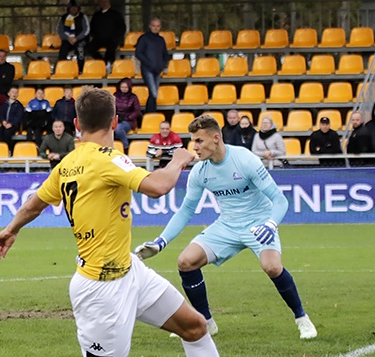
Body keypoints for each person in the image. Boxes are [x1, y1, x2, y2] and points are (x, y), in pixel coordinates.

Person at [0, 90, 278, 357]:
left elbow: (36, 202)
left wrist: (11, 228)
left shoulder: (68, 162)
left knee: (194, 326)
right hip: (102, 289)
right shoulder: (108, 159)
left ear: (77, 125)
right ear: (115, 123)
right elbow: (158, 187)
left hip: (129, 271)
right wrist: (178, 160)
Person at [136, 114, 317, 340]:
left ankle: (302, 318)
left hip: (259, 223)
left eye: (199, 141)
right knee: (186, 262)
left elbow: (280, 200)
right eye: (193, 141)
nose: (195, 147)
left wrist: (270, 224)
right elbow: (185, 211)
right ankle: (206, 322)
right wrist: (160, 242)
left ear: (216, 138)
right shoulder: (200, 171)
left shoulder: (245, 159)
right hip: (228, 225)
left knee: (271, 267)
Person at [134, 18, 169, 113]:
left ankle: (150, 115)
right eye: (154, 26)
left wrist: (163, 65)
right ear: (150, 26)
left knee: (153, 94)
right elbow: (138, 53)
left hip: (157, 70)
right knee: (153, 93)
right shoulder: (144, 38)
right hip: (147, 69)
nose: (155, 28)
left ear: (160, 27)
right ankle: (151, 114)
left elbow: (165, 54)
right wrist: (148, 63)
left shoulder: (161, 40)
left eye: (157, 26)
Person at [88, 0, 126, 69]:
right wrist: (94, 36)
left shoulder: (116, 14)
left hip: (112, 39)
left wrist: (116, 38)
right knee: (89, 48)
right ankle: (103, 62)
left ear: (109, 3)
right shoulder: (96, 15)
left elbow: (122, 28)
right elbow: (92, 27)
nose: (104, 3)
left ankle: (109, 63)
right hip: (98, 39)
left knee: (111, 48)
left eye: (106, 1)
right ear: (100, 3)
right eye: (102, 2)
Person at [57, 0, 90, 72]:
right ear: (69, 8)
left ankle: (80, 70)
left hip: (81, 40)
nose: (73, 9)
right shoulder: (63, 18)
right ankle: (63, 70)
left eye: (75, 7)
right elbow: (60, 31)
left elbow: (86, 30)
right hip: (68, 40)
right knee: (63, 50)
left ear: (78, 8)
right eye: (72, 7)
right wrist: (68, 38)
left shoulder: (83, 17)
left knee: (80, 49)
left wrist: (77, 38)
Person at [113, 77, 141, 150]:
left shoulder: (133, 97)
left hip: (129, 121)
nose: (124, 88)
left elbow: (137, 111)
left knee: (118, 128)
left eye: (126, 87)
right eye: (122, 87)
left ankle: (125, 147)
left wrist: (128, 117)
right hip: (116, 119)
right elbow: (111, 108)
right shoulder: (114, 96)